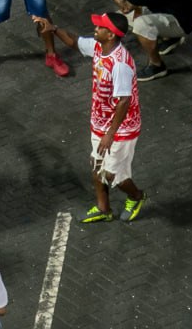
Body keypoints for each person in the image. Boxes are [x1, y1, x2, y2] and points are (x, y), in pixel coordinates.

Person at [35, 11, 147, 223]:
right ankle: (103, 208)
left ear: (111, 35)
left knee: (113, 175)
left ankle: (136, 196)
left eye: (101, 27)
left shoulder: (120, 64)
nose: (96, 28)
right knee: (97, 166)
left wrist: (110, 135)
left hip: (121, 128)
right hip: (100, 122)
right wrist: (54, 29)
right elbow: (75, 42)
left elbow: (124, 101)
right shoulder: (98, 46)